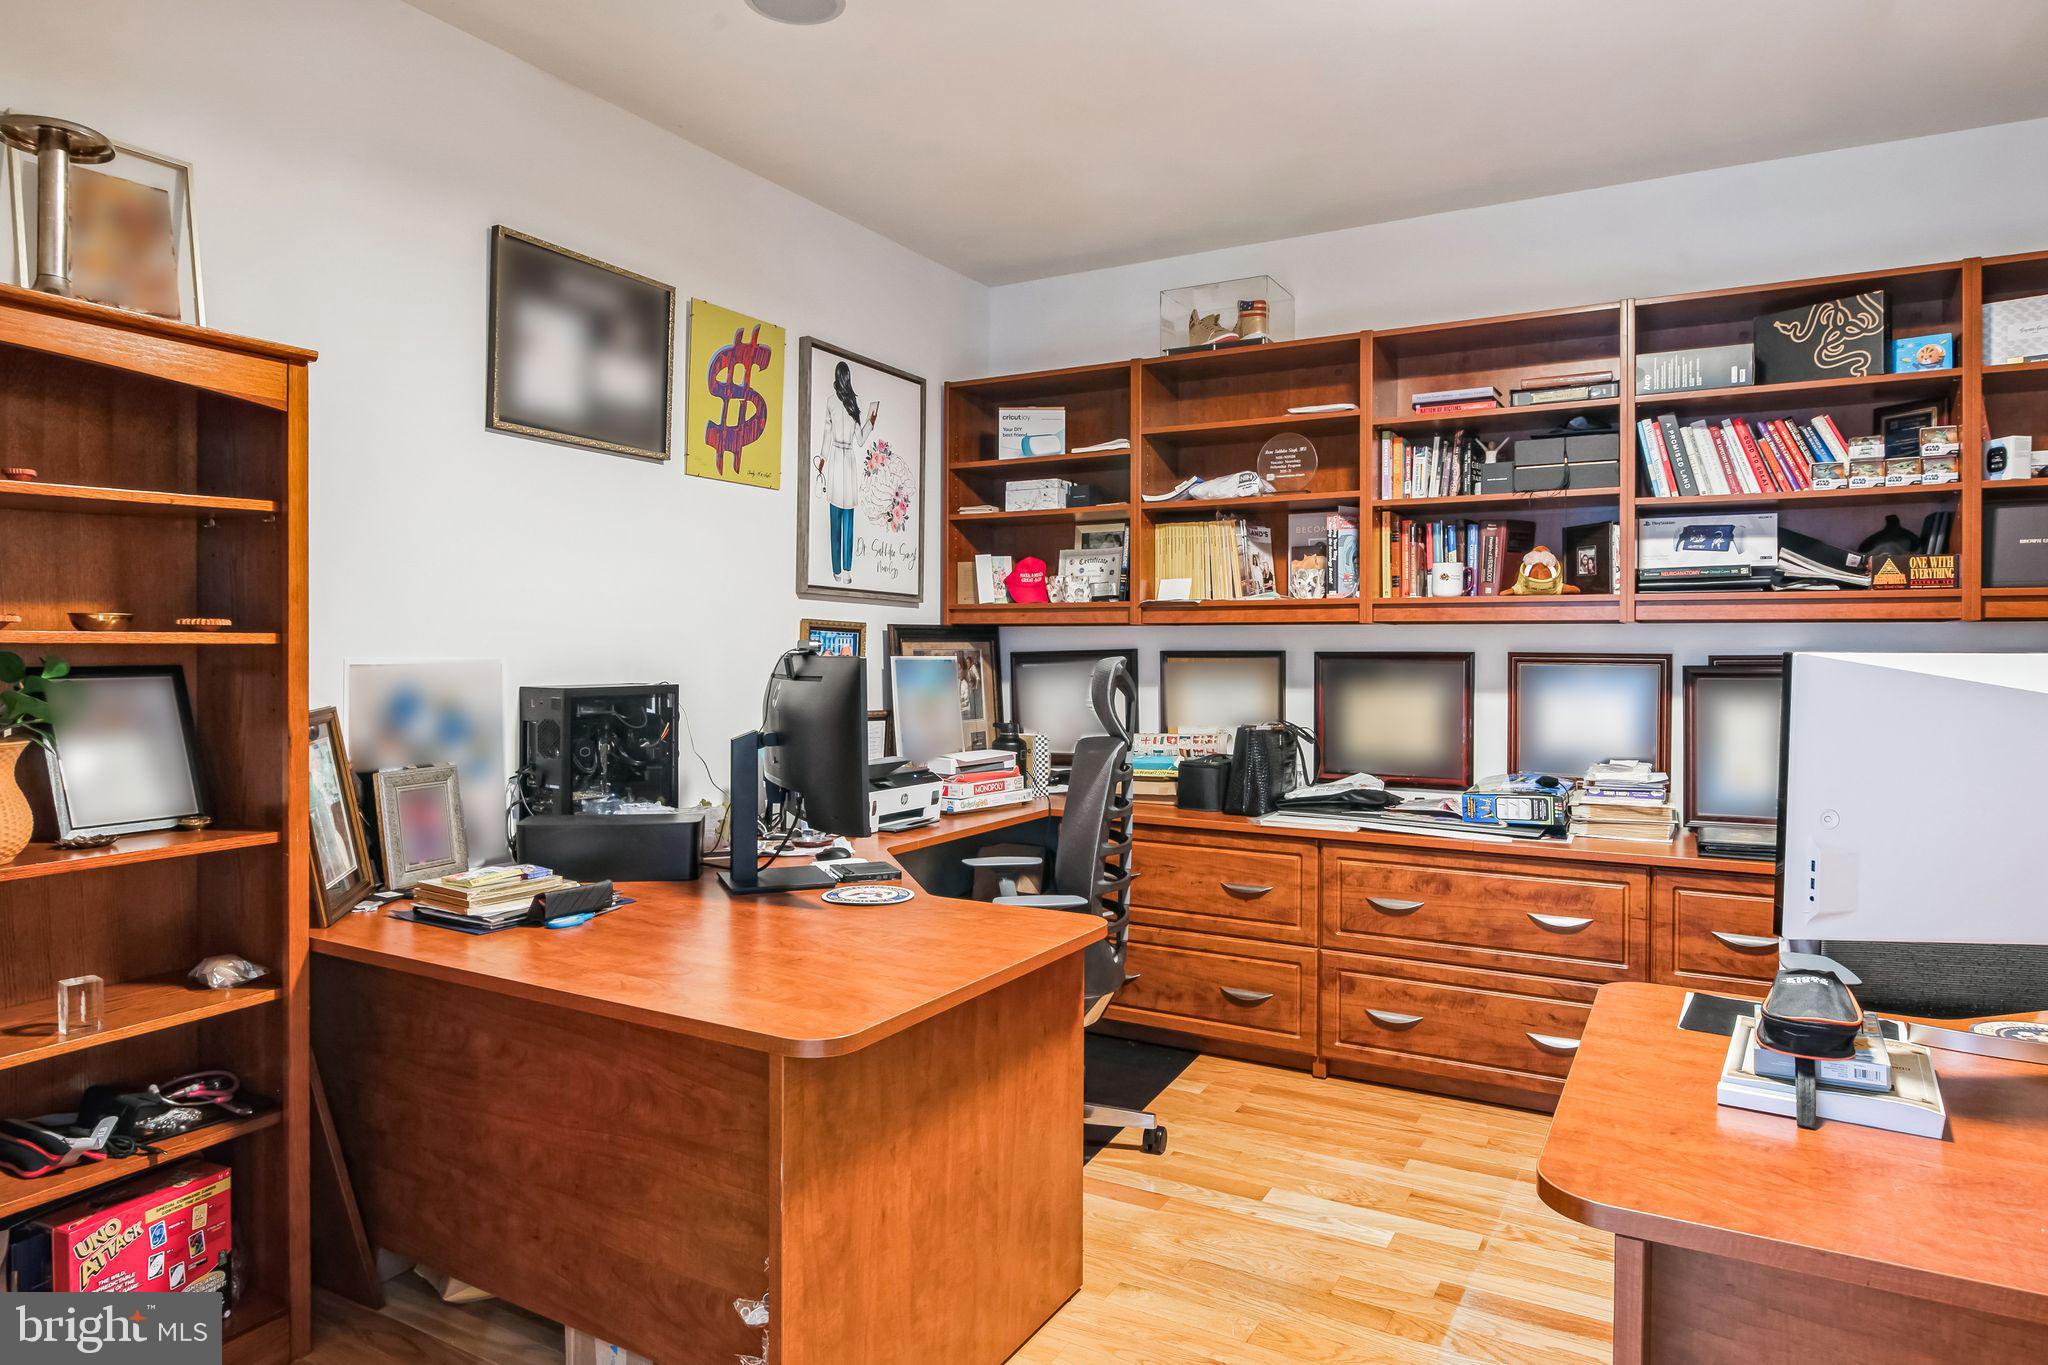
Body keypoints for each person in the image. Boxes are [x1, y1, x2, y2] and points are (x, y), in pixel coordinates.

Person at [815, 361, 878, 584]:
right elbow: (861, 439)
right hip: (848, 459)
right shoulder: (852, 404)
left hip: (837, 459)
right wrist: (871, 422)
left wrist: (821, 460)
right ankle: (846, 569)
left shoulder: (832, 402)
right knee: (848, 519)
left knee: (837, 518)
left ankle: (837, 570)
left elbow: (826, 434)